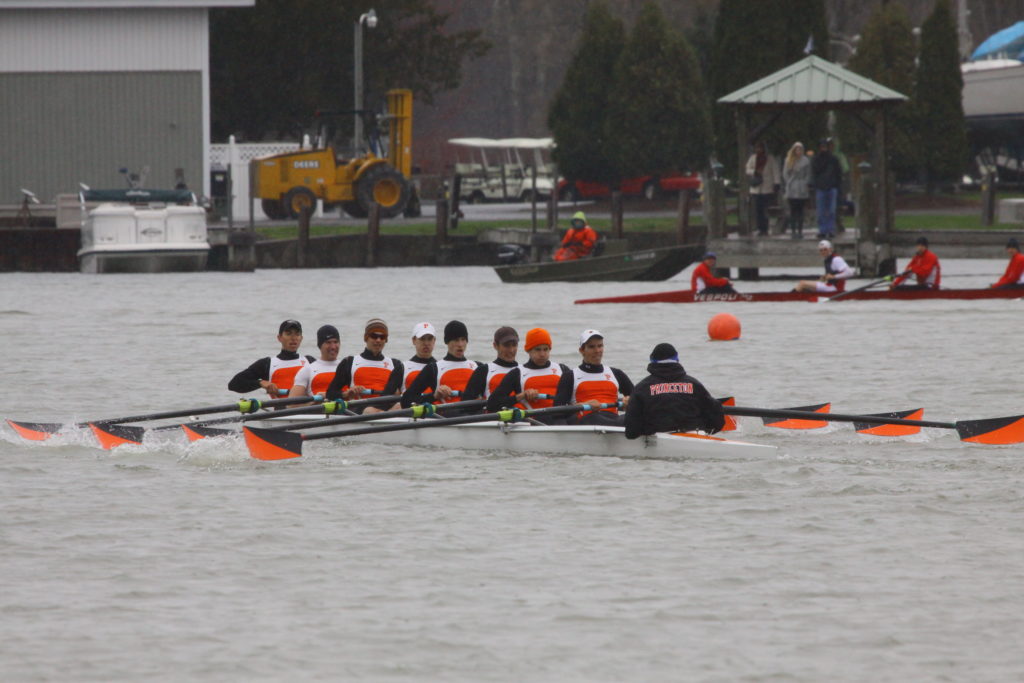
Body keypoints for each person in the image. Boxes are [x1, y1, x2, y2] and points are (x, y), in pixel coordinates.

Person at [624, 343, 725, 439]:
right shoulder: (694, 384)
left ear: (651, 360)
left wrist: (629, 408)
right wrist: (707, 430)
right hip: (696, 435)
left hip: (660, 438)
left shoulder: (642, 387)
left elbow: (631, 433)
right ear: (677, 359)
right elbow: (717, 417)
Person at [486, 328, 572, 422]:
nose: (542, 354)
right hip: (535, 422)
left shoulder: (563, 369)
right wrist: (521, 396)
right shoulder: (517, 373)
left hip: (560, 418)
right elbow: (492, 404)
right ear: (528, 350)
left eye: (545, 349)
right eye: (537, 350)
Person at [553, 329, 634, 426]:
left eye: (600, 346)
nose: (597, 351)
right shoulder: (570, 376)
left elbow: (639, 398)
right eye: (591, 347)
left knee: (633, 417)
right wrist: (582, 405)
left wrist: (630, 400)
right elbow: (557, 413)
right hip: (586, 421)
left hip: (612, 422)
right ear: (582, 350)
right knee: (593, 417)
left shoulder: (616, 374)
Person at [325, 318, 403, 414]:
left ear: (386, 340)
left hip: (384, 408)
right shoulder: (349, 362)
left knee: (400, 406)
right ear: (366, 338)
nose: (378, 340)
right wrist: (347, 393)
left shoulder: (396, 365)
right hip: (358, 410)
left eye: (382, 337)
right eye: (374, 336)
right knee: (370, 410)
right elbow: (330, 394)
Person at [401, 320, 478, 407]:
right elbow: (406, 400)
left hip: (473, 415)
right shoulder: (433, 369)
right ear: (447, 342)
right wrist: (434, 396)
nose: (460, 344)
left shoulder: (477, 367)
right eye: (456, 340)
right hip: (445, 417)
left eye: (463, 339)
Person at [228, 319, 312, 397]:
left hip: (310, 409)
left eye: (297, 334)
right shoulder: (267, 364)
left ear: (301, 338)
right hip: (281, 410)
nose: (293, 338)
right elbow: (233, 384)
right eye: (288, 334)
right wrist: (260, 383)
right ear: (279, 338)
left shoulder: (310, 361)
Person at [461, 326, 521, 402]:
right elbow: (466, 403)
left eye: (514, 345)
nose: (511, 350)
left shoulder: (523, 371)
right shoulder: (483, 371)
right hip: (492, 412)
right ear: (495, 345)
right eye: (506, 345)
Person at [288, 324, 342, 402]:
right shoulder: (307, 370)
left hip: (347, 412)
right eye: (328, 342)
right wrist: (314, 403)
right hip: (318, 412)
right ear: (320, 345)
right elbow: (291, 405)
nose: (333, 347)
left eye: (335, 342)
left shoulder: (347, 367)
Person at [745, 141, 781, 236]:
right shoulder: (753, 158)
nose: (759, 150)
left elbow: (775, 171)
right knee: (758, 210)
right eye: (757, 148)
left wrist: (776, 183)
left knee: (766, 209)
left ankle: (766, 227)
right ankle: (760, 228)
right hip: (756, 188)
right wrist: (754, 172)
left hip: (767, 188)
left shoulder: (770, 159)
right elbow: (747, 169)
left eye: (761, 148)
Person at [811, 138, 842, 239]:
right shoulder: (816, 159)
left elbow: (838, 173)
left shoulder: (834, 159)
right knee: (821, 211)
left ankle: (830, 230)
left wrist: (836, 185)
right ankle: (822, 230)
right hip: (821, 188)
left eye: (825, 146)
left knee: (831, 211)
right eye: (822, 146)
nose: (823, 148)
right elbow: (814, 173)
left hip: (832, 187)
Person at [783, 141, 811, 239]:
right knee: (793, 211)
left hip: (802, 187)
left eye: (800, 149)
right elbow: (785, 174)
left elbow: (808, 174)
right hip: (792, 188)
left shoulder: (806, 161)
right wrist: (789, 183)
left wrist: (805, 183)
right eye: (796, 149)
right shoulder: (788, 160)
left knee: (800, 211)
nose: (798, 151)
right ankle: (793, 231)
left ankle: (800, 231)